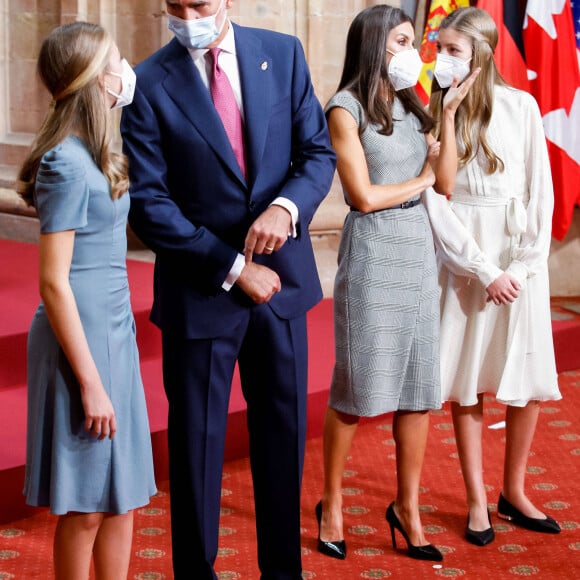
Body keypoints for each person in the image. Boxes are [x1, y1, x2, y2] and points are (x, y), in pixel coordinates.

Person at [119, 1, 336, 578]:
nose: (191, 13)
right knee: (196, 452)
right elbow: (150, 203)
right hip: (201, 291)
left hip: (283, 286)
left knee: (283, 444)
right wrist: (234, 266)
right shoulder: (146, 81)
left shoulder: (282, 55)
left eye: (203, 3)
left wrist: (286, 209)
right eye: (179, 4)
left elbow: (317, 153)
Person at [315, 4, 477, 563]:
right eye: (404, 41)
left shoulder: (415, 103)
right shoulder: (345, 108)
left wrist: (448, 113)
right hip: (372, 256)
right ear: (377, 44)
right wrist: (424, 177)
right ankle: (331, 502)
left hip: (416, 259)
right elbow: (361, 196)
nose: (415, 52)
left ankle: (407, 508)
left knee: (417, 393)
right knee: (356, 390)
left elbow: (447, 184)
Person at [16, 21, 156, 580]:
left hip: (114, 333)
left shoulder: (97, 153)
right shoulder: (64, 163)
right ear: (93, 79)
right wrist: (91, 381)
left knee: (121, 498)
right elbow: (53, 282)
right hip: (81, 345)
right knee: (88, 508)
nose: (127, 72)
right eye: (117, 61)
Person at [425, 6, 562, 547]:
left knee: (524, 379)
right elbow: (437, 201)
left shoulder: (522, 106)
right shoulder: (437, 112)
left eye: (453, 50)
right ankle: (477, 499)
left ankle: (515, 489)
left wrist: (524, 267)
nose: (441, 59)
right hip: (467, 261)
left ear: (481, 52)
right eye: (439, 49)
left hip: (518, 261)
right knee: (468, 380)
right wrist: (484, 269)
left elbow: (540, 193)